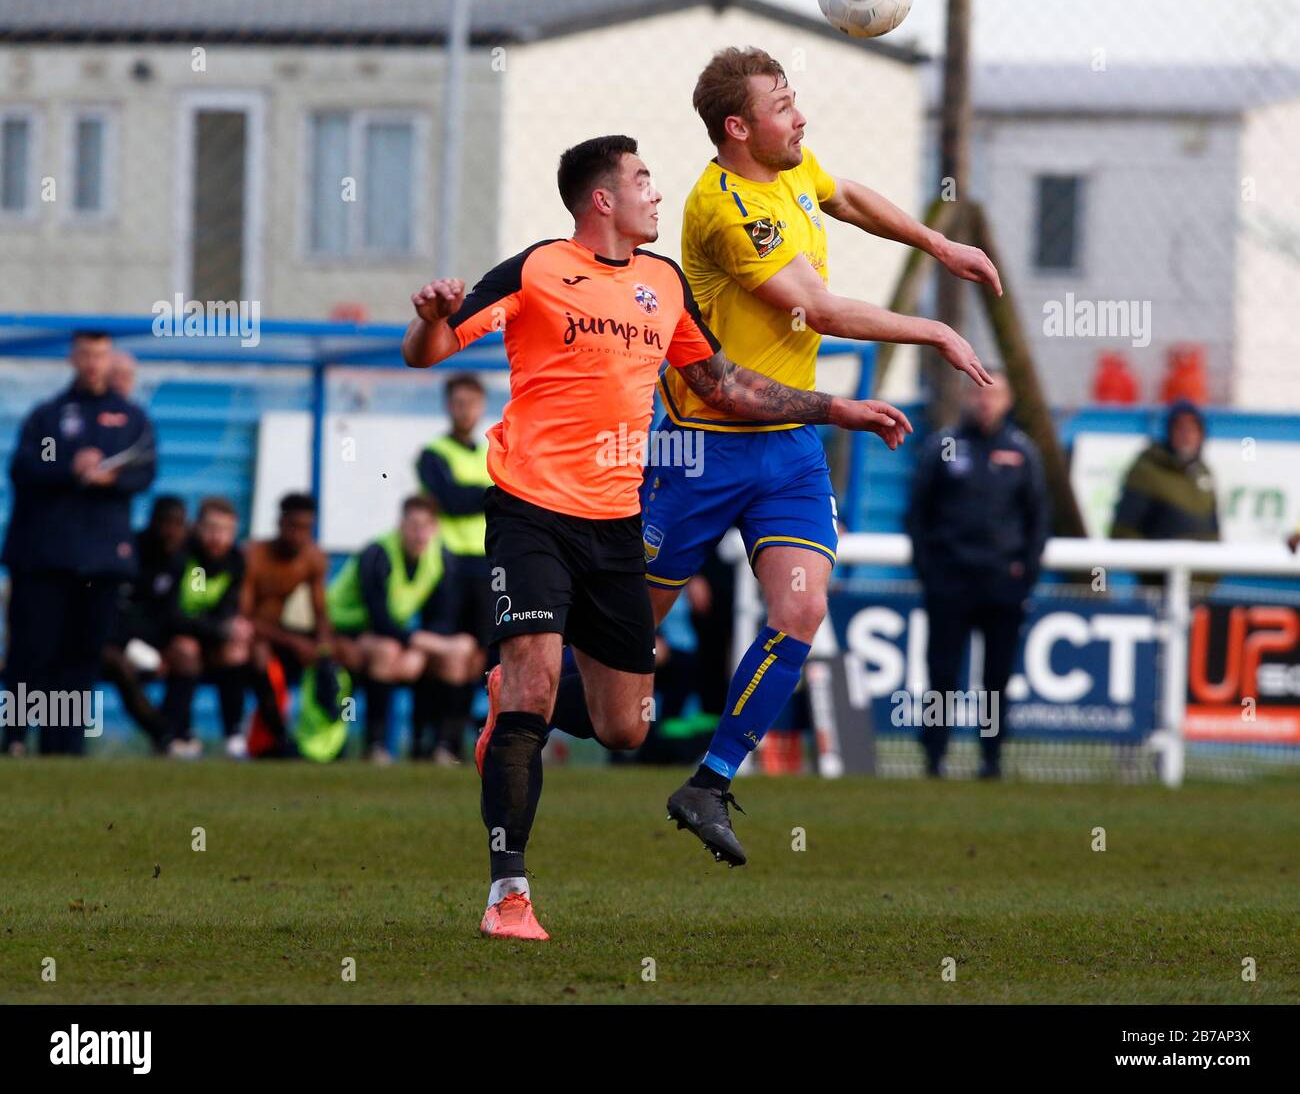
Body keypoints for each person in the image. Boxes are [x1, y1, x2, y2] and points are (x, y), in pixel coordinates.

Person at [402, 134, 911, 940]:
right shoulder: (537, 270)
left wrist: (835, 407)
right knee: (533, 686)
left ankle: (507, 709)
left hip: (616, 523)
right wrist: (432, 320)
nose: (656, 192)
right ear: (602, 199)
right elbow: (425, 352)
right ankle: (509, 893)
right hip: (530, 509)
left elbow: (723, 385)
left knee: (625, 725)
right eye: (642, 179)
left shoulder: (663, 284)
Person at [631, 46, 997, 865]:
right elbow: (819, 310)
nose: (801, 117)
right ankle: (526, 700)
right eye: (783, 104)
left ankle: (710, 782)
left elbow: (847, 196)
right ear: (738, 127)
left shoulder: (790, 167)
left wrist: (937, 245)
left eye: (796, 99)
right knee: (622, 665)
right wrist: (934, 327)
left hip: (788, 450)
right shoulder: (724, 207)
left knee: (800, 610)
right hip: (702, 448)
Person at [2, 329, 157, 756]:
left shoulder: (129, 418)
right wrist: (71, 466)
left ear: (111, 361)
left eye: (101, 355)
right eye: (86, 354)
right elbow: (29, 466)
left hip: (101, 564)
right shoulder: (51, 417)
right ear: (73, 358)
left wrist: (114, 477)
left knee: (81, 657)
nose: (93, 363)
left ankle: (62, 744)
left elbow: (143, 471)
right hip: (46, 560)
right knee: (32, 653)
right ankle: (15, 737)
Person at [906, 373, 1050, 778]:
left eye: (995, 394)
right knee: (942, 673)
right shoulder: (944, 446)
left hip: (1002, 583)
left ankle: (992, 757)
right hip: (949, 581)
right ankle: (934, 757)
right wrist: (929, 571)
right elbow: (918, 513)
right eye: (979, 393)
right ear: (968, 397)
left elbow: (1038, 520)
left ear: (1008, 400)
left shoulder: (1023, 452)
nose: (986, 402)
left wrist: (1026, 575)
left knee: (996, 677)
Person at [329, 494, 480, 762]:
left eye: (426, 526)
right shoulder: (377, 554)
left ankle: (443, 748)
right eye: (413, 525)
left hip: (391, 635)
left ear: (435, 528)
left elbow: (443, 620)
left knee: (456, 655)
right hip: (344, 631)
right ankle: (375, 746)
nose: (419, 534)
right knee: (387, 652)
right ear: (401, 526)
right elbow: (380, 621)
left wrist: (421, 650)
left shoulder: (441, 557)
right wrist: (423, 645)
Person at [415, 373, 493, 763]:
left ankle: (452, 741)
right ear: (448, 406)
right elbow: (448, 500)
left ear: (480, 407)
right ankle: (421, 740)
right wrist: (492, 494)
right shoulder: (433, 453)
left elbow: (470, 498)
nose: (464, 410)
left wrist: (479, 495)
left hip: (485, 567)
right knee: (442, 653)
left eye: (471, 403)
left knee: (478, 657)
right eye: (458, 402)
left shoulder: (489, 452)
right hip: (446, 567)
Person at [238, 492, 331, 757]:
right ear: (279, 524)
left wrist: (323, 650)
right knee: (260, 656)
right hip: (254, 637)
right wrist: (295, 642)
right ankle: (277, 739)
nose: (298, 535)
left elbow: (321, 613)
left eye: (306, 528)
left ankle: (326, 744)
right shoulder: (254, 556)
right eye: (293, 526)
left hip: (284, 636)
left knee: (340, 657)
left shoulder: (313, 558)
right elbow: (245, 618)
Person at [161, 497, 254, 759]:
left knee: (236, 647)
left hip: (209, 635)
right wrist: (216, 629)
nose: (217, 537)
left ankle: (234, 735)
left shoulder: (235, 562)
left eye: (225, 531)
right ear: (198, 527)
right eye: (212, 528)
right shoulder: (180, 556)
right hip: (172, 636)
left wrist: (230, 627)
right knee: (186, 649)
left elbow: (229, 609)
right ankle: (180, 733)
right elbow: (170, 615)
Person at [100, 494, 191, 755]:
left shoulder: (184, 561)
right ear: (153, 522)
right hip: (115, 640)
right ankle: (163, 734)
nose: (172, 532)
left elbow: (171, 613)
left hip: (153, 639)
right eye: (167, 523)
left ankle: (178, 732)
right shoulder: (129, 554)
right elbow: (115, 611)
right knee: (120, 665)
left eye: (179, 524)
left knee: (187, 656)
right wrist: (138, 648)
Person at [1111, 400, 1219, 546]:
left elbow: (1214, 531)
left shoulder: (1203, 473)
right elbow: (1122, 532)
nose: (1186, 436)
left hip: (1203, 567)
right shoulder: (1146, 471)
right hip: (1164, 566)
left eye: (1192, 429)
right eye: (1180, 428)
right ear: (1169, 432)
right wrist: (1154, 563)